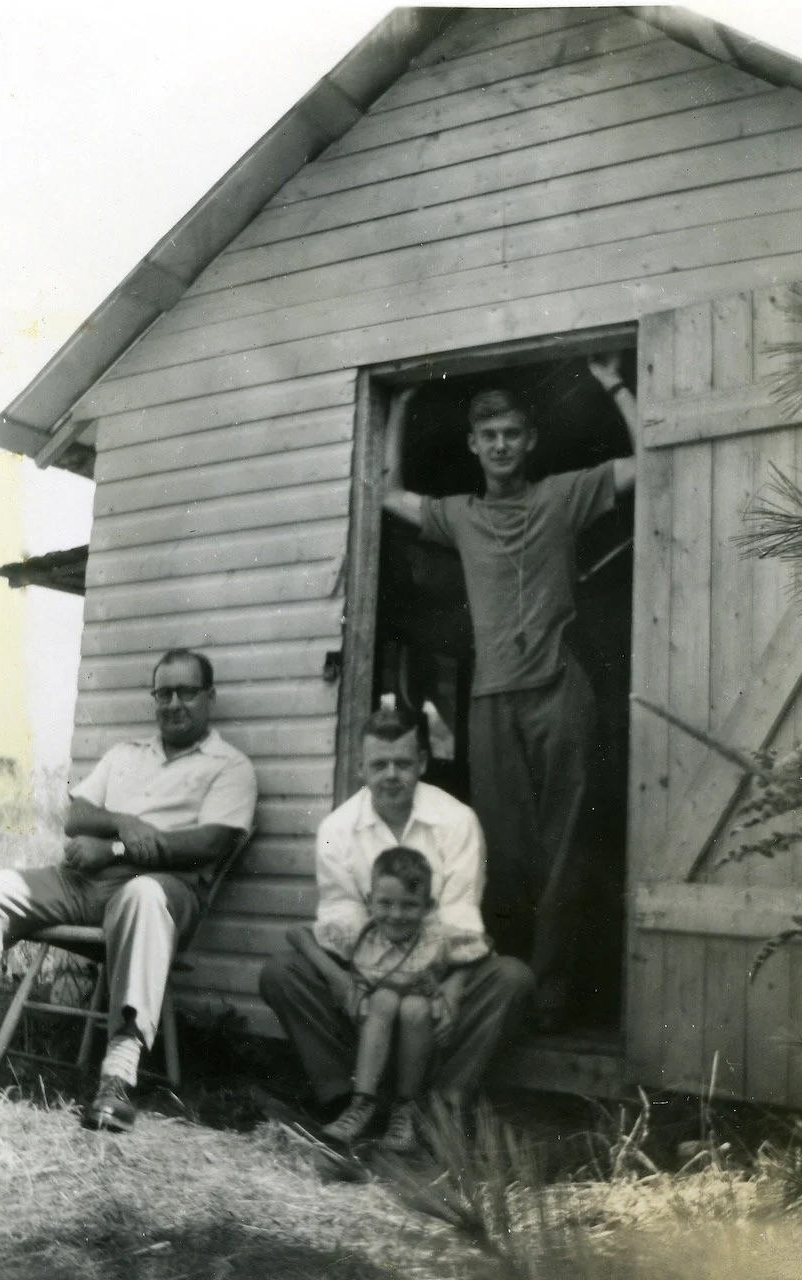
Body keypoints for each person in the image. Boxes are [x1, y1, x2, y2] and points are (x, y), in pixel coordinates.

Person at [382, 356, 637, 1028]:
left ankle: (550, 992)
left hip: (558, 688)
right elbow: (385, 492)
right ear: (474, 445)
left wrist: (612, 384)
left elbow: (653, 461)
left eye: (511, 434)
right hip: (492, 698)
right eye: (488, 434)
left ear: (529, 442)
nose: (500, 444)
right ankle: (512, 985)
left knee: (563, 847)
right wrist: (401, 402)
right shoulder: (459, 515)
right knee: (500, 844)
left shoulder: (564, 494)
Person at [0, 648, 257, 1132]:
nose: (174, 703)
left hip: (164, 893)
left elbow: (210, 842)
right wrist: (124, 823)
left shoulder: (229, 766)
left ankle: (118, 1074)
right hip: (82, 884)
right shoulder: (126, 754)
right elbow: (77, 817)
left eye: (187, 692)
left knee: (142, 896)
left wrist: (113, 850)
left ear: (210, 697)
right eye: (163, 693)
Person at [259, 705, 534, 1116]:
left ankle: (442, 1105)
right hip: (369, 975)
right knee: (282, 973)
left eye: (403, 763)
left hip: (437, 973)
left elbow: (460, 918)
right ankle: (344, 1100)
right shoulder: (337, 829)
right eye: (379, 764)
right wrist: (345, 982)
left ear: (422, 762)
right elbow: (342, 919)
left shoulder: (457, 821)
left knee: (513, 979)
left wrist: (454, 989)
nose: (391, 775)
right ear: (361, 769)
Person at [292, 845, 490, 1152]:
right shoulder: (361, 934)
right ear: (370, 902)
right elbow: (298, 934)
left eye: (409, 905)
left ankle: (405, 1111)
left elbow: (482, 948)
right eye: (385, 903)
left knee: (414, 1005)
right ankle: (362, 1105)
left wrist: (454, 983)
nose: (396, 915)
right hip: (372, 1037)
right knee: (383, 998)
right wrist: (338, 978)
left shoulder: (437, 938)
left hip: (421, 1039)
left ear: (428, 907)